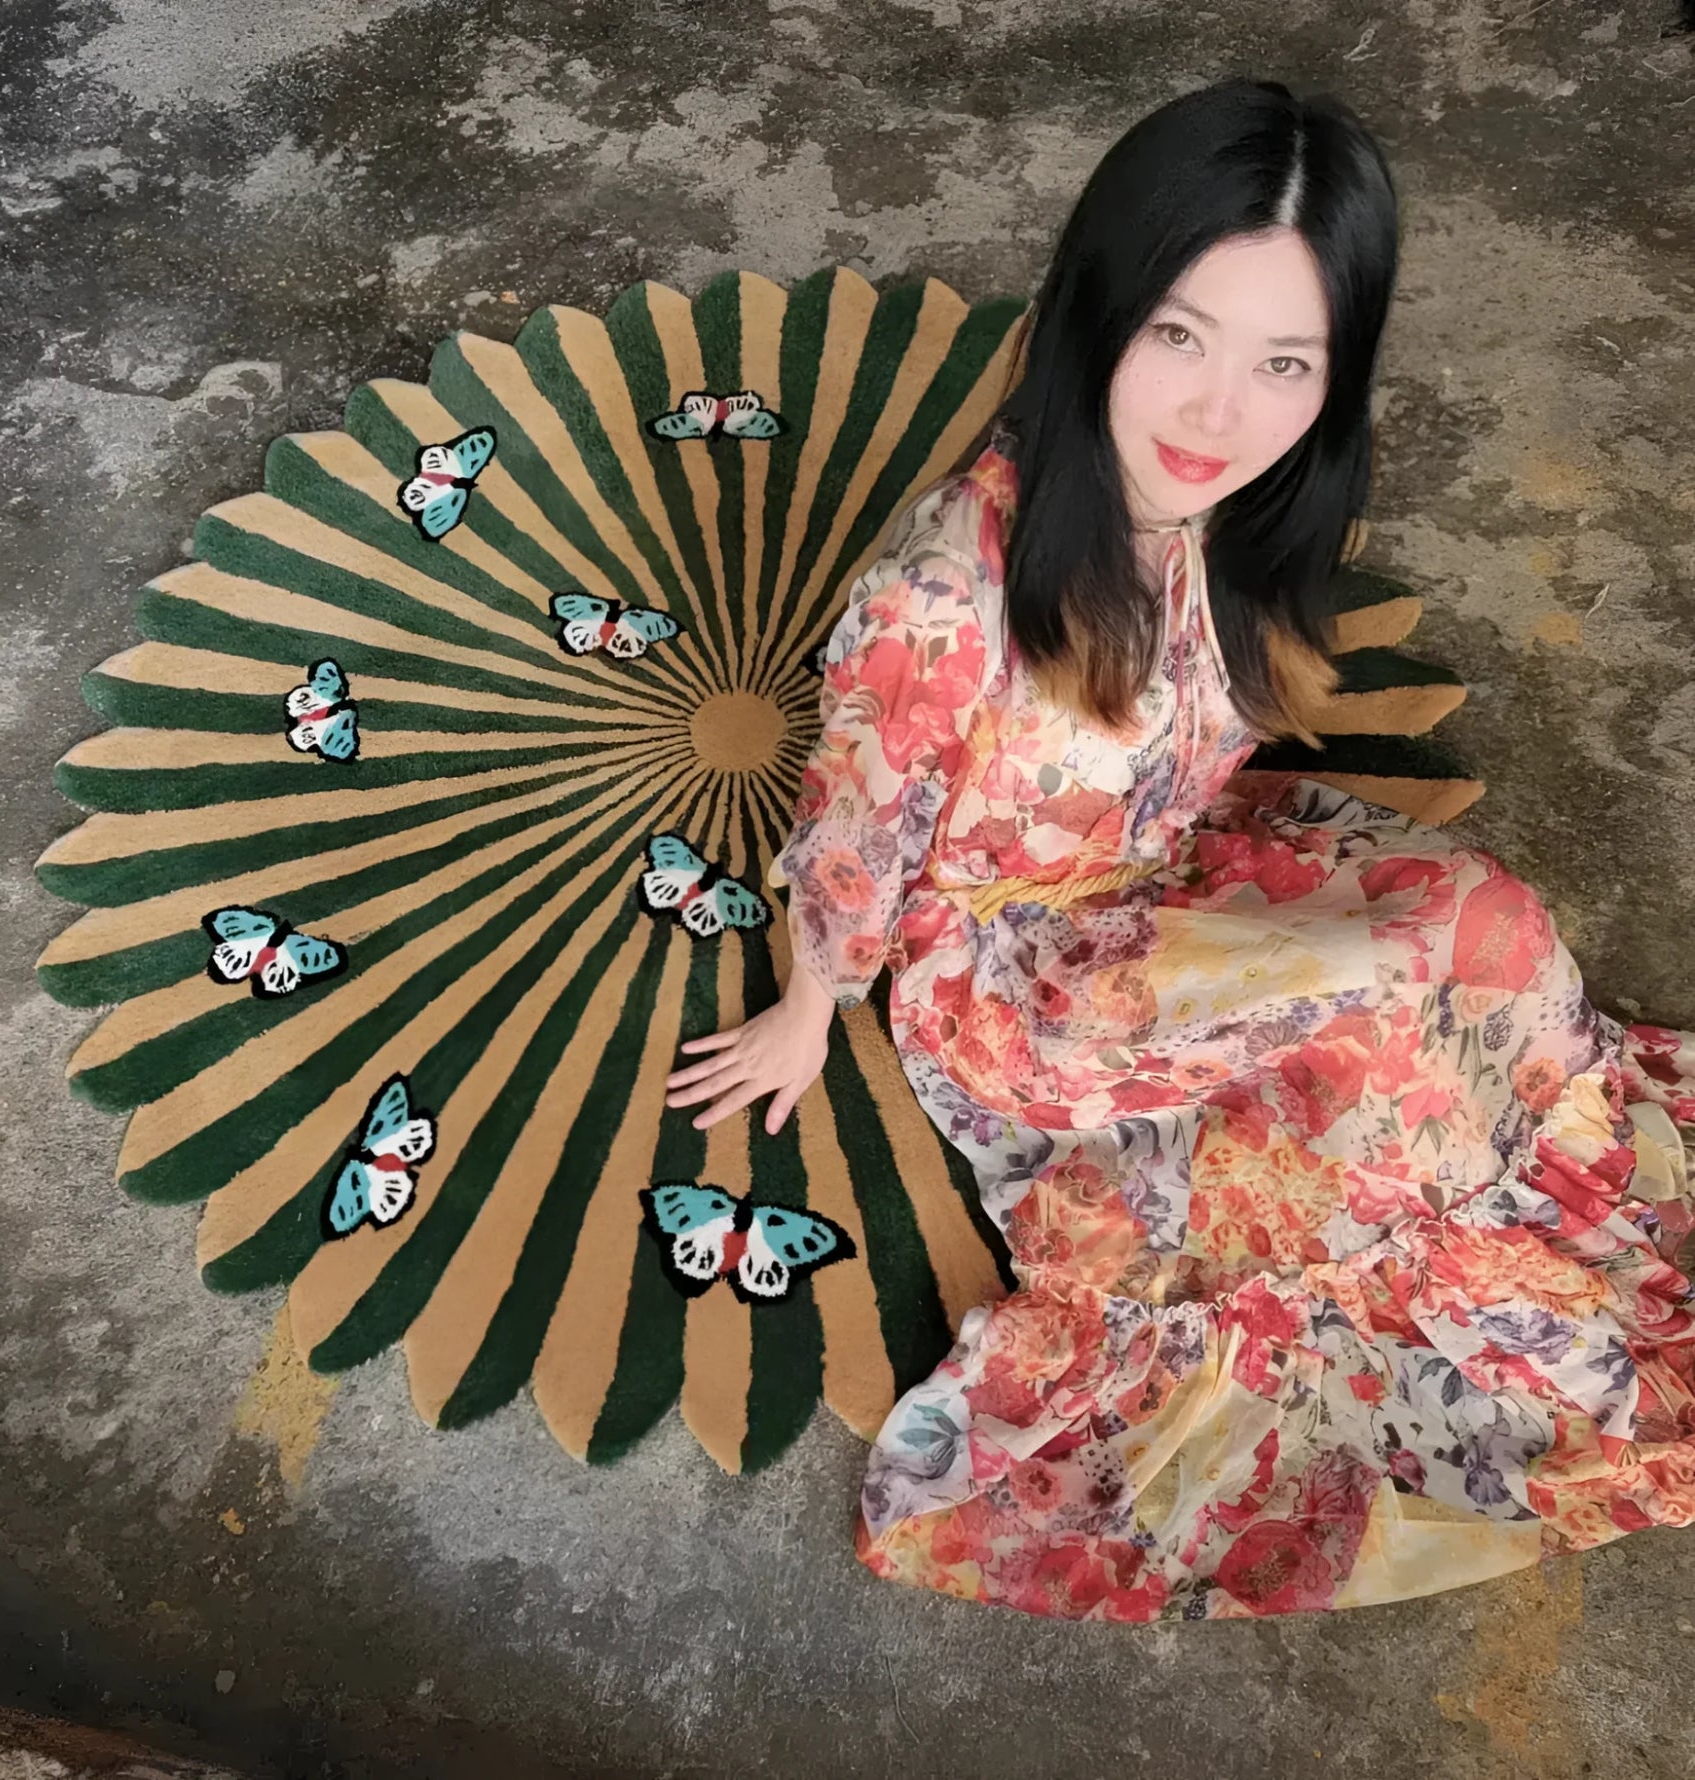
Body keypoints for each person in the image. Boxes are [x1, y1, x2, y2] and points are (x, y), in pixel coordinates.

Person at [664, 76, 1695, 1621]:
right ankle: (1482, 1269)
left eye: (1285, 363)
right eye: (1179, 336)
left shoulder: (1221, 504)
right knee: (1376, 1019)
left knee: (1487, 924)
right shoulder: (942, 605)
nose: (1220, 415)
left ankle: (1523, 1178)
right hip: (1020, 970)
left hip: (1171, 865)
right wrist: (810, 1006)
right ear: (1101, 313)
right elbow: (858, 833)